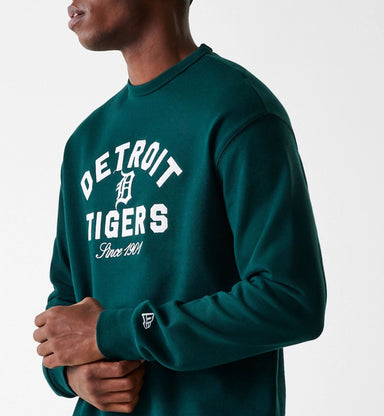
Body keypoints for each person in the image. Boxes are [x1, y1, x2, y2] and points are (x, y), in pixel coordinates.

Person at [33, 0, 327, 415]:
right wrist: (71, 375)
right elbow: (65, 305)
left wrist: (117, 331)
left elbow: (289, 299)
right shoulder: (85, 142)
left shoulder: (238, 110)